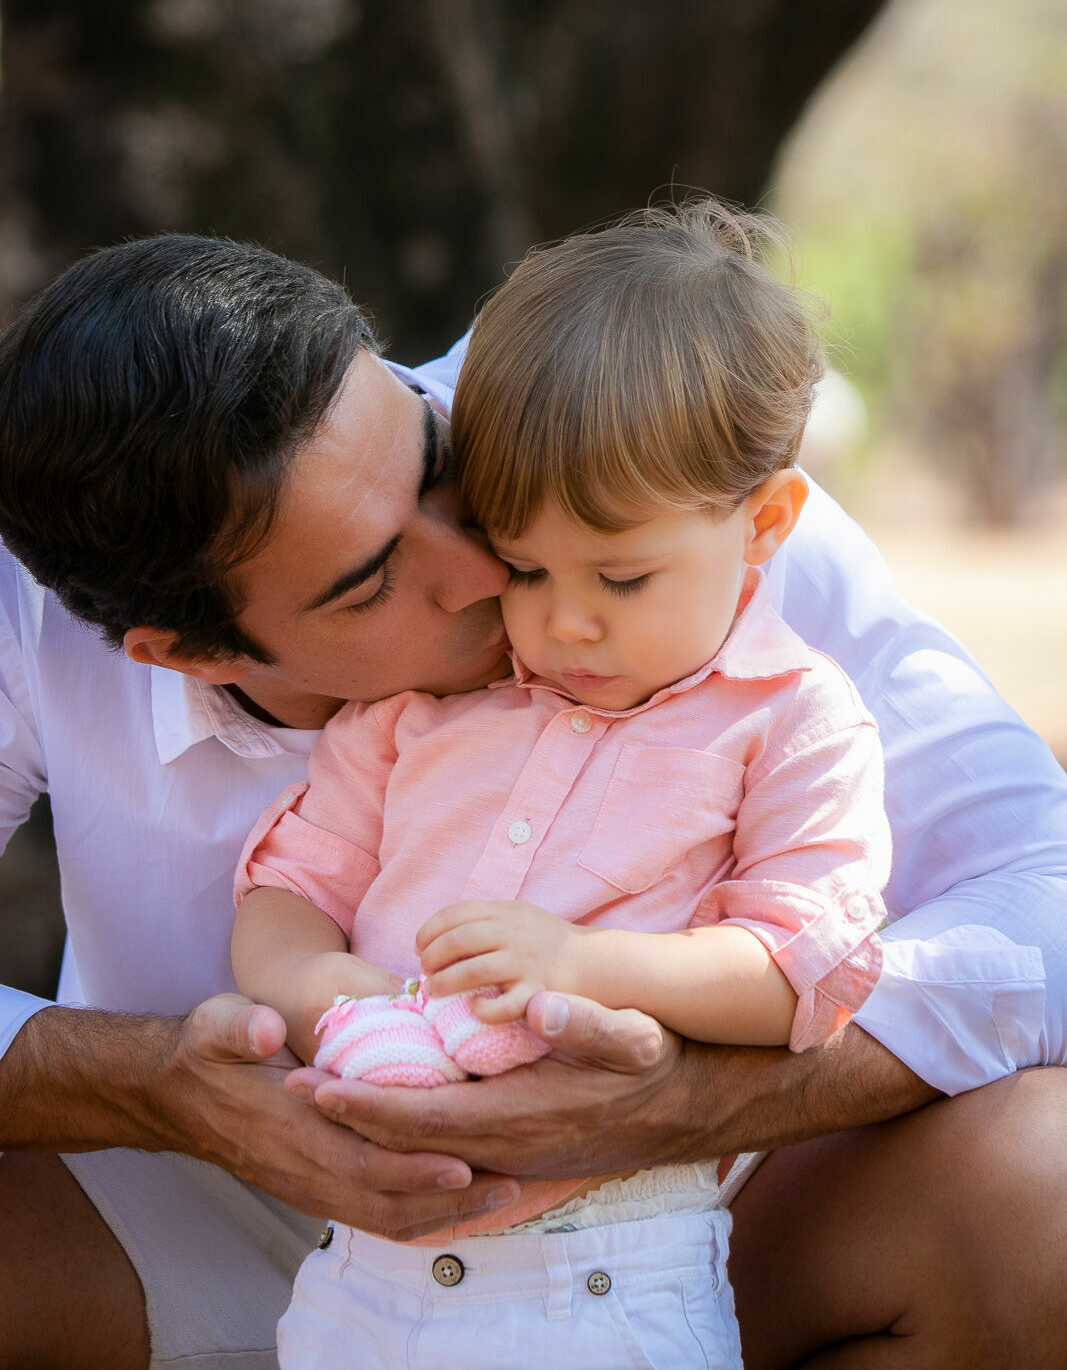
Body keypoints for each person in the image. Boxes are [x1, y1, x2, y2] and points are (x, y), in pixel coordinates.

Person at [0, 233, 1062, 1369]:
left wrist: (688, 1101)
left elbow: (1043, 897)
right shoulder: (33, 610)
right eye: (371, 582)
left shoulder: (634, 466)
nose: (485, 563)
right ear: (190, 653)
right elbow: (289, 907)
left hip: (669, 1216)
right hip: (202, 1202)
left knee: (1039, 1185)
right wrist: (156, 1088)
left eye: (433, 462)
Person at [231, 202, 891, 1367]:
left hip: (604, 1269)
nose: (562, 618)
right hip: (363, 1267)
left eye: (622, 576)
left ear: (766, 521)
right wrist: (327, 996)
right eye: (524, 564)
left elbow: (798, 967)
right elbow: (289, 885)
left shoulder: (790, 719)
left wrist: (580, 964)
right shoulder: (421, 710)